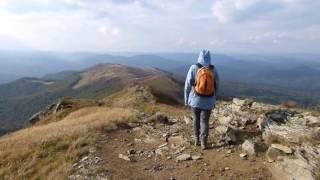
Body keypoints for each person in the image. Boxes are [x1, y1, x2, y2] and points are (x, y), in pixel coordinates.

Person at [184, 49, 219, 150]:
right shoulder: (213, 69)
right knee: (204, 121)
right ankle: (204, 142)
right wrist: (214, 99)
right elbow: (217, 85)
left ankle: (196, 139)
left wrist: (186, 99)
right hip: (208, 101)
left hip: (195, 100)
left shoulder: (194, 67)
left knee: (196, 119)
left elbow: (187, 85)